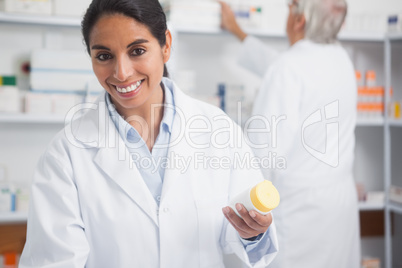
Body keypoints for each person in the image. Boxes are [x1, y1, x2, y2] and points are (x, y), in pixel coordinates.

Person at [19, 0, 280, 267]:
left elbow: (246, 242)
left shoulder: (219, 130)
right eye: (104, 56)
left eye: (137, 51)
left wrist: (252, 234)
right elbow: (52, 261)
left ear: (166, 45)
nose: (122, 72)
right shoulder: (66, 155)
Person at [220, 0, 360, 268]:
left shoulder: (288, 68)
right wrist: (238, 31)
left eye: (292, 5)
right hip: (338, 205)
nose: (287, 6)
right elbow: (287, 68)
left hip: (300, 213)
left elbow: (263, 153)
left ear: (299, 21)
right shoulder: (340, 59)